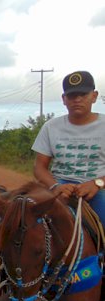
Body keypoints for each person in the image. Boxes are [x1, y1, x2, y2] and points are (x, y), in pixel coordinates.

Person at [32, 70, 104, 225]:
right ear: (64, 99)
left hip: (96, 186)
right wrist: (55, 186)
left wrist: (97, 183)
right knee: (22, 218)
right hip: (60, 184)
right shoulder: (51, 127)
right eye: (72, 96)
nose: (77, 100)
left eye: (83, 94)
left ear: (94, 96)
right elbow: (39, 167)